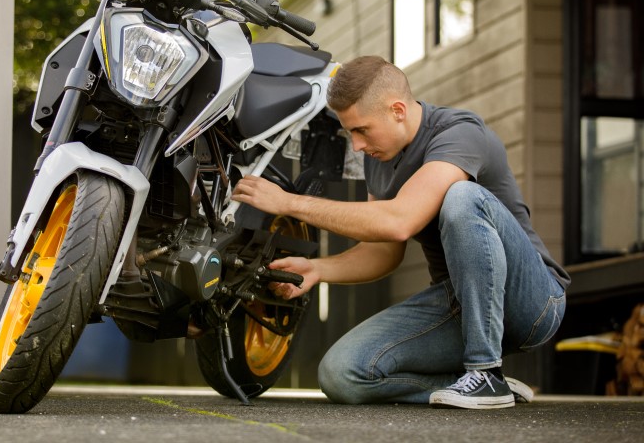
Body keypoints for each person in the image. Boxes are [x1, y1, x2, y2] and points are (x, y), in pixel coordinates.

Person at [231, 55, 570, 409]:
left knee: (462, 197)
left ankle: (484, 370)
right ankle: (479, 383)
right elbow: (382, 250)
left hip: (530, 301)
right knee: (341, 373)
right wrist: (318, 269)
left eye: (362, 130)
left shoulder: (460, 132)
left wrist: (290, 203)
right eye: (350, 133)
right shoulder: (379, 156)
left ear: (397, 110)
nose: (356, 145)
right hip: (459, 304)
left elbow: (399, 221)